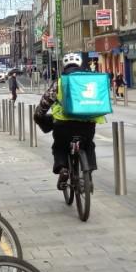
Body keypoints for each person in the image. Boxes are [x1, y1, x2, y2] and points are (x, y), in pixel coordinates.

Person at [34, 53, 105, 191]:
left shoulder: (60, 82)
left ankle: (63, 169)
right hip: (87, 124)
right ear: (80, 65)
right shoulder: (89, 80)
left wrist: (38, 115)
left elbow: (45, 102)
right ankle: (87, 173)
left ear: (64, 66)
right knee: (88, 145)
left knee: (59, 147)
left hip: (64, 125)